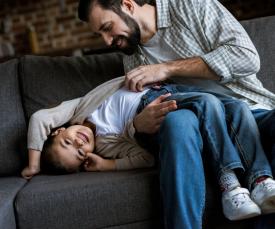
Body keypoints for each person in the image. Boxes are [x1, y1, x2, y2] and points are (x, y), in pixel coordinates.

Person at [77, 0, 275, 228]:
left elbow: (246, 58)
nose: (107, 41)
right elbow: (131, 111)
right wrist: (136, 125)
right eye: (100, 34)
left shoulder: (189, 6)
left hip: (250, 110)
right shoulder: (133, 60)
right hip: (202, 132)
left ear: (128, 5)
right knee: (178, 122)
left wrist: (167, 68)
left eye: (107, 27)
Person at [22, 75, 275, 222]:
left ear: (59, 131)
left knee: (239, 108)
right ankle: (229, 185)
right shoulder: (107, 147)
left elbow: (39, 119)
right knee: (207, 103)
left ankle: (260, 181)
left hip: (166, 86)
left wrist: (33, 163)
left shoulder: (78, 108)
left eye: (68, 141)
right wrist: (107, 164)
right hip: (153, 104)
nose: (79, 143)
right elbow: (144, 158)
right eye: (78, 154)